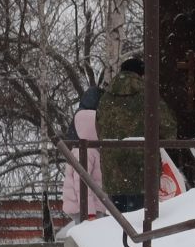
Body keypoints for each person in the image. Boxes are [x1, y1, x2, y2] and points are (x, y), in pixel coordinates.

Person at [95, 56, 181, 213]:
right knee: (143, 221)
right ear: (140, 74)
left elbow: (99, 130)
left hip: (113, 169)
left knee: (118, 223)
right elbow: (168, 126)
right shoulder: (148, 96)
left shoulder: (105, 99)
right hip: (143, 167)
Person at [62, 87, 106, 220]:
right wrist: (89, 212)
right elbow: (82, 183)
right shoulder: (87, 152)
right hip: (86, 210)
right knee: (88, 237)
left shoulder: (86, 149)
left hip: (87, 207)